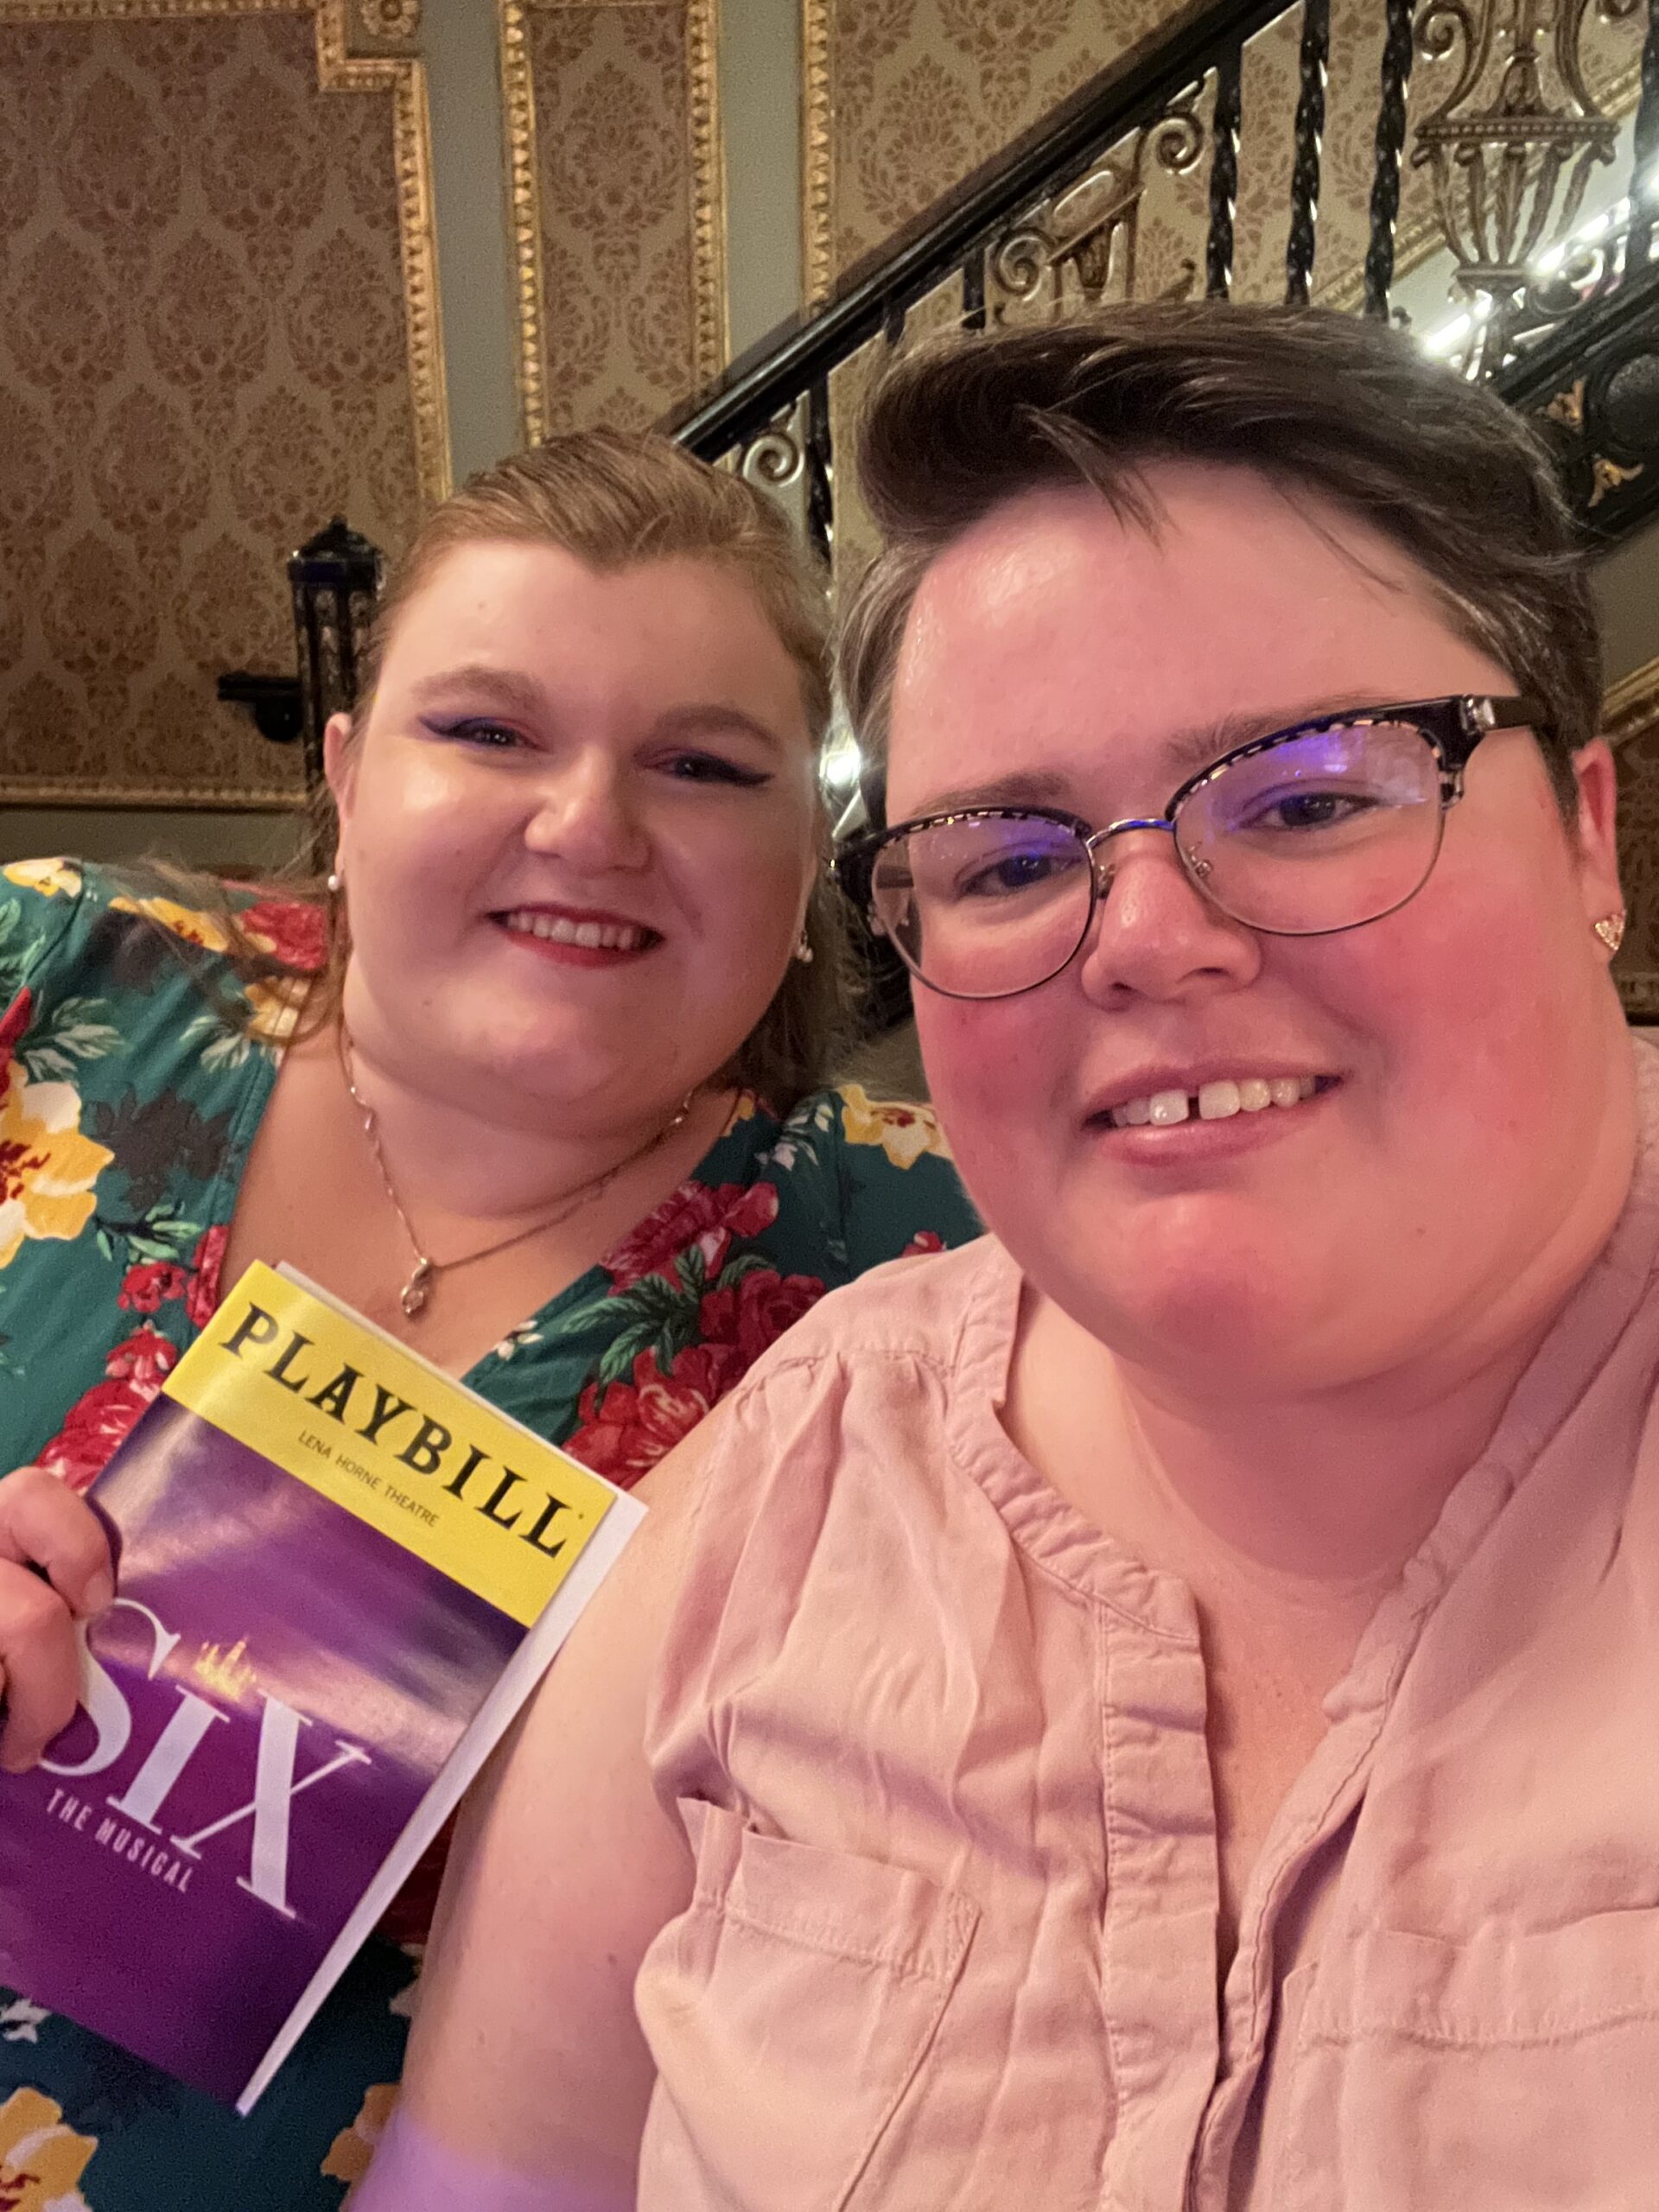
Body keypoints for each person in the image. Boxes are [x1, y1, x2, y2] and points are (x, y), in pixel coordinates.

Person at [347, 301, 1659, 2210]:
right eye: (1013, 857)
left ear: (1590, 834)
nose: (1145, 935)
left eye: (1308, 795)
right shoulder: (789, 1482)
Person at [0, 429, 977, 2209]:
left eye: (702, 764)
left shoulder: (935, 1264)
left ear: (809, 850)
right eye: (488, 730)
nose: (588, 826)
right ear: (349, 774)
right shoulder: (45, 984)